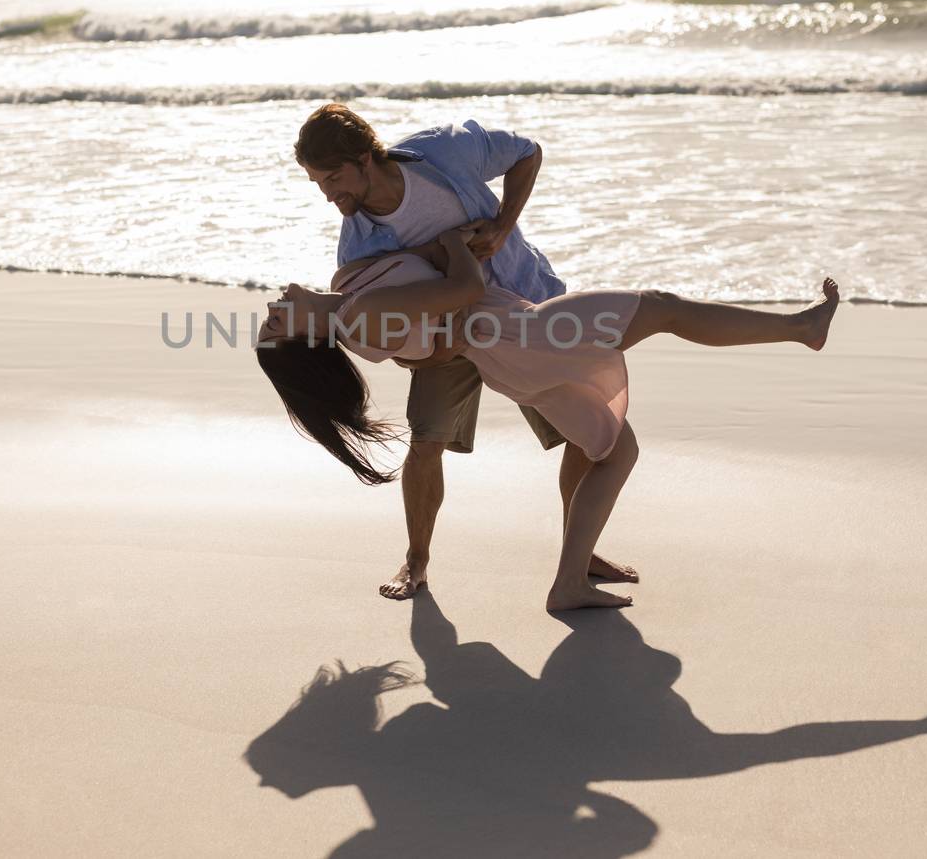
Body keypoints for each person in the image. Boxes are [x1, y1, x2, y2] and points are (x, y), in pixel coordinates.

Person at [256, 221, 839, 611]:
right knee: (662, 309)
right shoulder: (362, 315)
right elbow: (464, 286)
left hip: (511, 352)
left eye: (270, 314)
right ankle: (799, 328)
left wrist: (447, 306)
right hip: (529, 336)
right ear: (307, 340)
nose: (274, 305)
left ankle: (570, 580)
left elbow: (436, 345)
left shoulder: (354, 304)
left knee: (613, 450)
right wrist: (456, 242)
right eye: (278, 322)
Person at [290, 103, 636, 602]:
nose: (328, 195)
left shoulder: (443, 151)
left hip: (526, 308)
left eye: (333, 178)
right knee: (427, 442)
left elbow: (526, 154)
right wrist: (432, 352)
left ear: (366, 158)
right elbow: (395, 341)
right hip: (448, 342)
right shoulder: (359, 248)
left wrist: (502, 223)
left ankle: (578, 553)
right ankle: (416, 562)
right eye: (317, 183)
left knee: (581, 435)